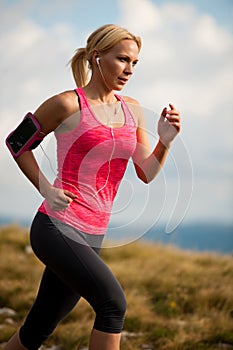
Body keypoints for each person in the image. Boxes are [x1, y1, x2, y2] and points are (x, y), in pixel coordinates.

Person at [4, 24, 180, 350]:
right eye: (122, 59)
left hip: (93, 233)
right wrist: (46, 188)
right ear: (97, 57)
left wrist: (165, 142)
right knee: (113, 305)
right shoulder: (67, 105)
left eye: (135, 63)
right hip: (56, 227)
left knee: (40, 326)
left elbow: (146, 171)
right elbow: (17, 142)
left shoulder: (133, 109)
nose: (129, 69)